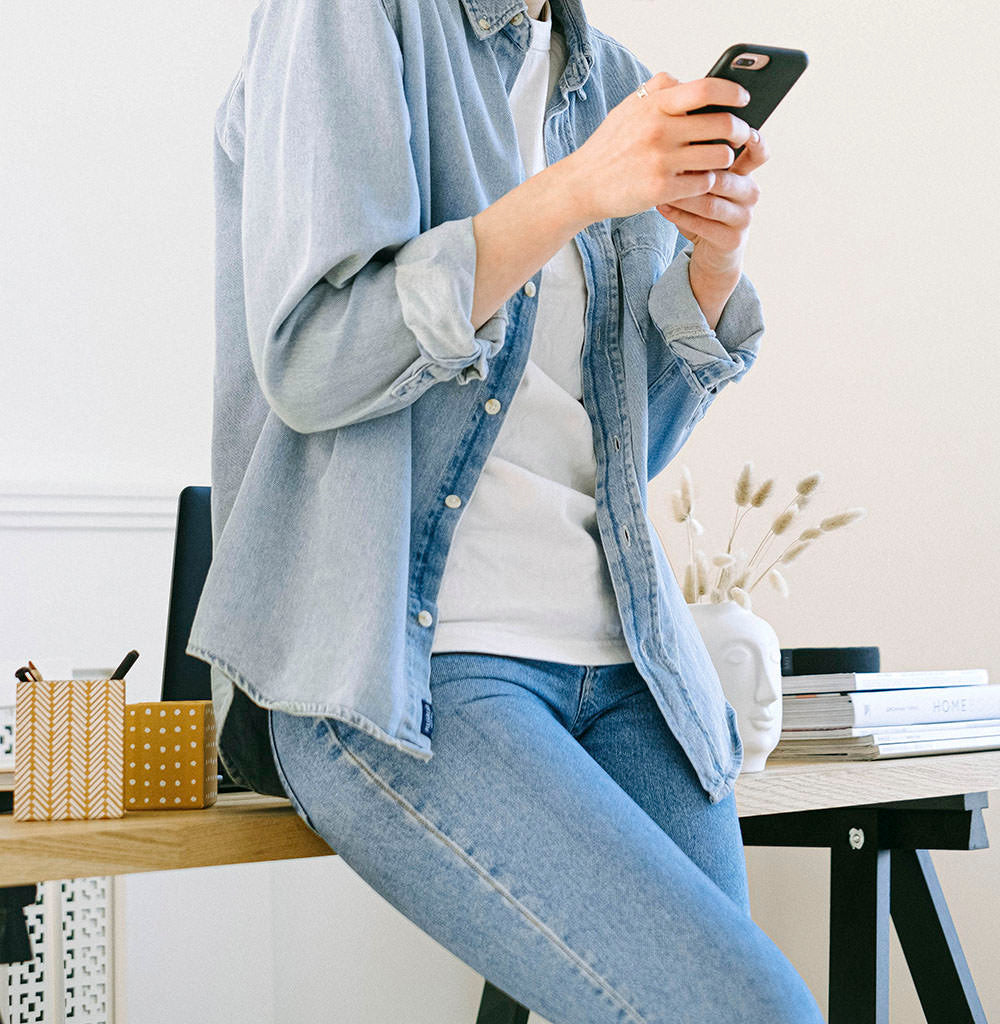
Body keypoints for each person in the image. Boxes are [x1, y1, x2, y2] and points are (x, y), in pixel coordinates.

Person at [189, 0, 827, 1020]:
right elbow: (311, 359)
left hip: (632, 671)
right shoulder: (350, 17)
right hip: (410, 676)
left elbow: (628, 450)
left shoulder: (611, 80)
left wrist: (711, 269)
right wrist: (575, 190)